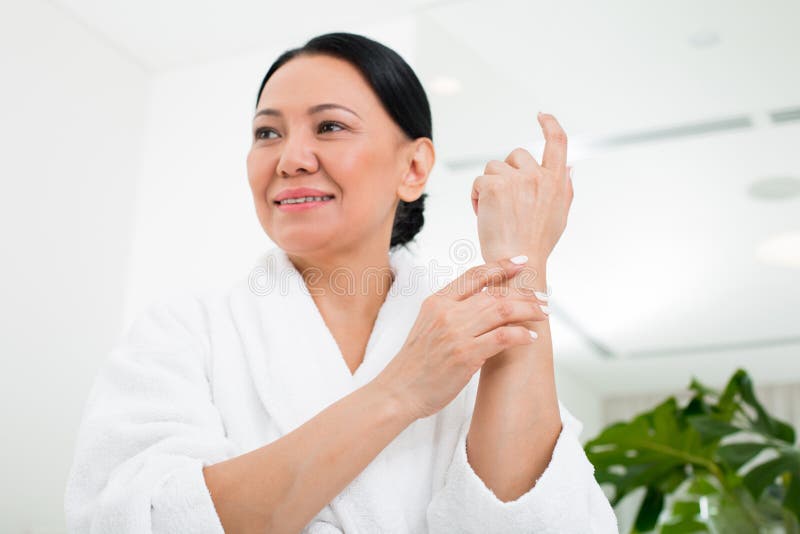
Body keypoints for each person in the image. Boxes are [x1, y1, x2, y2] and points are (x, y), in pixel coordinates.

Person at [64, 32, 619, 533]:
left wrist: (523, 270)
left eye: (329, 126)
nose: (290, 158)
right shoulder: (184, 333)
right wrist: (400, 390)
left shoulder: (470, 345)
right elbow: (135, 518)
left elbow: (541, 523)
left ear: (415, 169)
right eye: (267, 132)